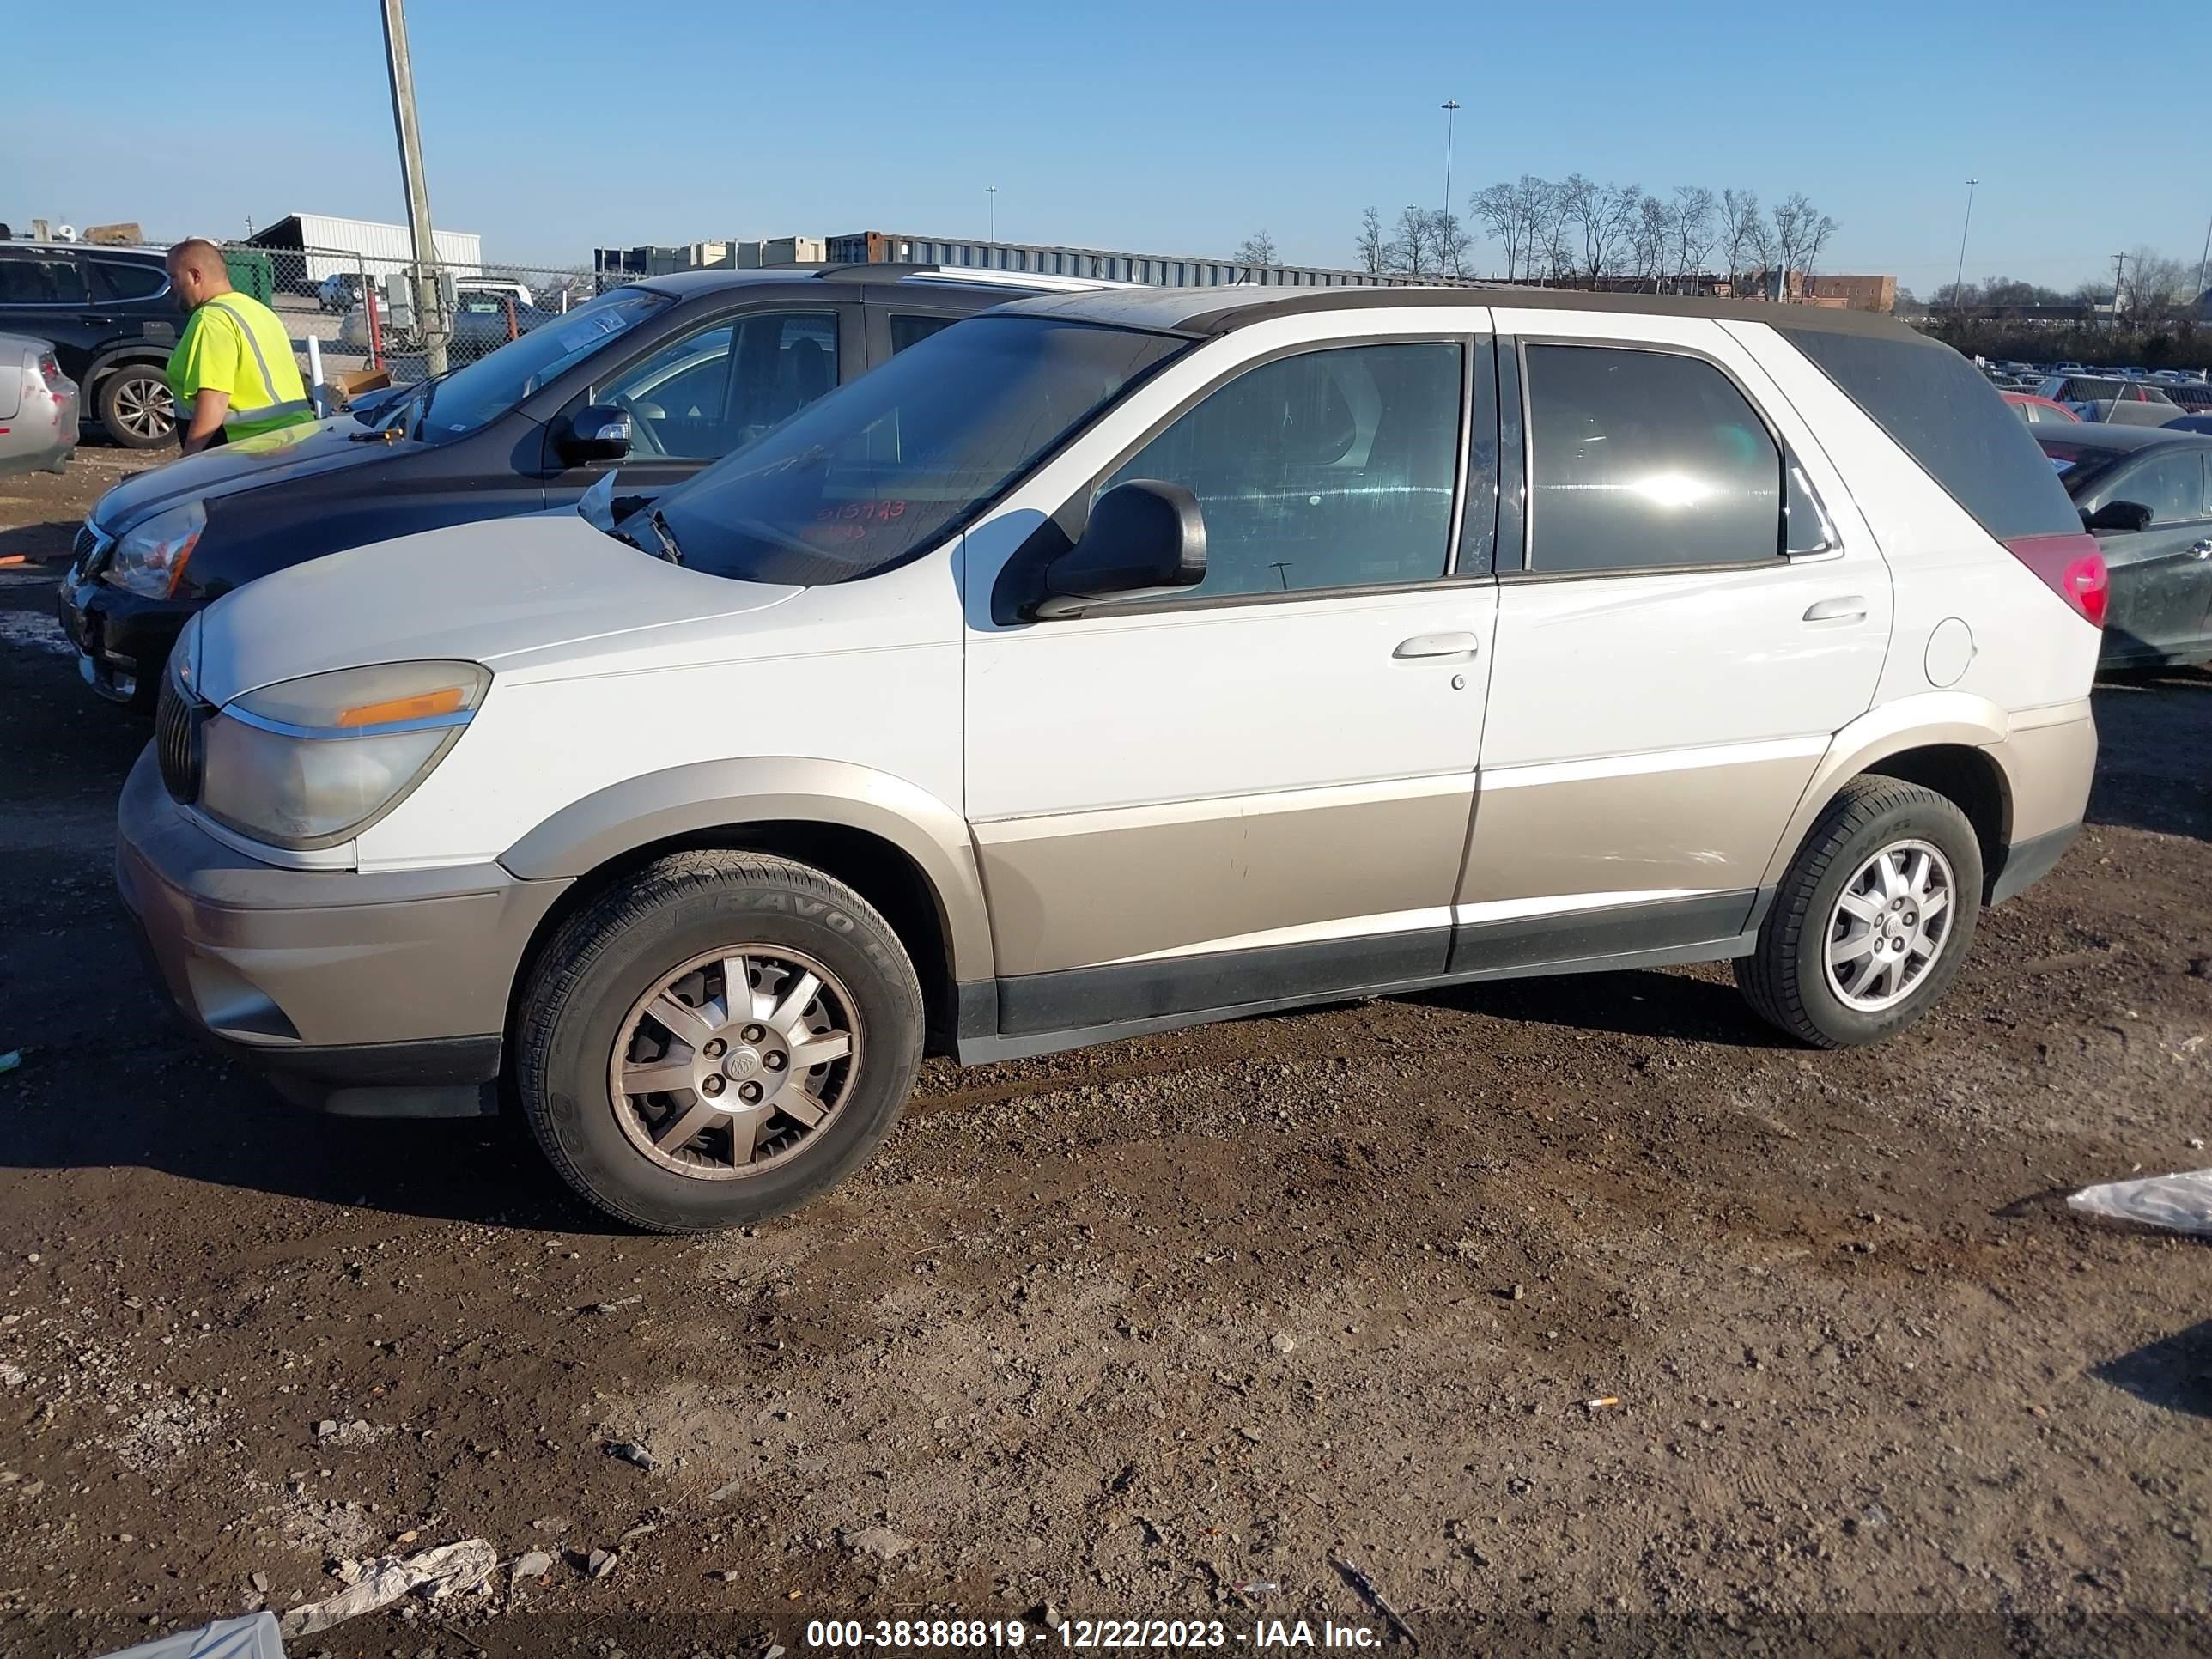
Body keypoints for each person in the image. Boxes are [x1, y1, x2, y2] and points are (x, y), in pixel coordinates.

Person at [162, 239, 314, 454]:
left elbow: (213, 400)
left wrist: (188, 460)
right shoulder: (257, 310)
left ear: (195, 276)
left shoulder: (212, 318)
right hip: (294, 439)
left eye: (173, 277)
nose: (171, 286)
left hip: (248, 449)